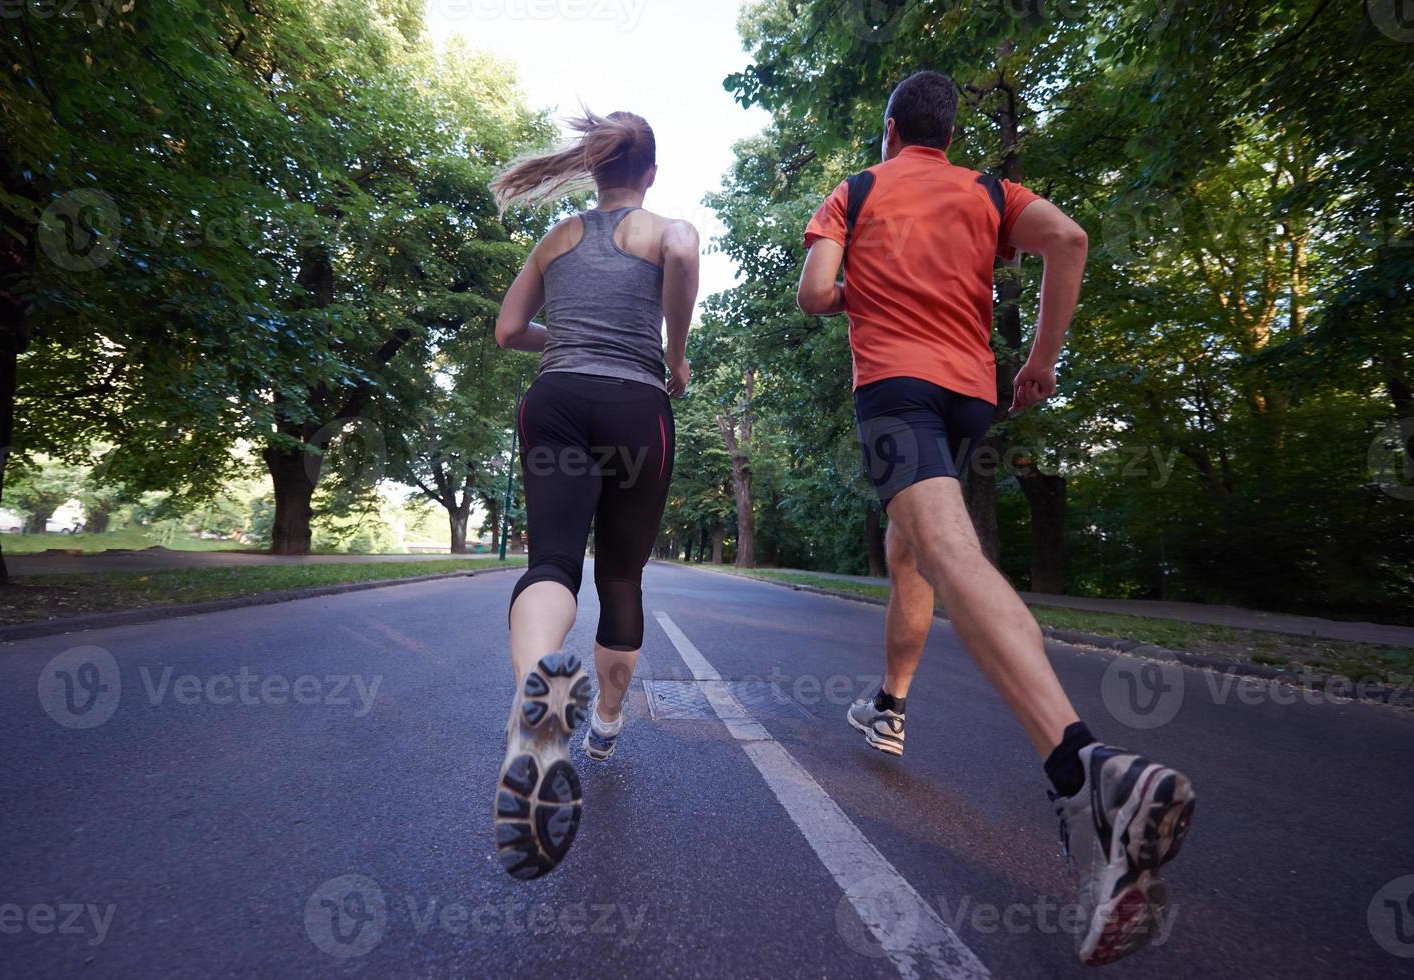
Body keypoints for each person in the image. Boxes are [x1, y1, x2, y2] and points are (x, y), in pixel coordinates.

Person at [796, 71, 1195, 965]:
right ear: (947, 130)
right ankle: (890, 706)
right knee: (911, 551)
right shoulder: (988, 190)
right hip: (970, 395)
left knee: (941, 547)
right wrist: (1041, 361)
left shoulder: (856, 187)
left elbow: (815, 295)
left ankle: (1083, 771)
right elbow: (1069, 237)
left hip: (894, 388)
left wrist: (861, 271)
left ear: (892, 127)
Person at [487, 109, 700, 880]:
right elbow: (678, 249)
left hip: (555, 401)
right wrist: (670, 356)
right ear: (646, 174)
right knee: (620, 575)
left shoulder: (555, 238)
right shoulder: (664, 226)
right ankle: (605, 720)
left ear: (598, 169)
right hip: (632, 407)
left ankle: (535, 698)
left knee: (550, 562)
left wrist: (571, 334)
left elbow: (509, 330)